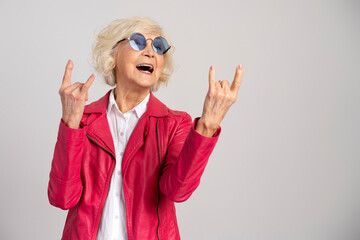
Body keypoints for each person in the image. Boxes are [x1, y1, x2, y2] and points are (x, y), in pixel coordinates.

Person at [48, 17, 243, 240]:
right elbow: (62, 198)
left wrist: (207, 127)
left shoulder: (174, 124)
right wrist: (70, 126)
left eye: (158, 46)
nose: (151, 51)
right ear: (113, 56)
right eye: (139, 42)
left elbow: (177, 191)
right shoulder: (83, 119)